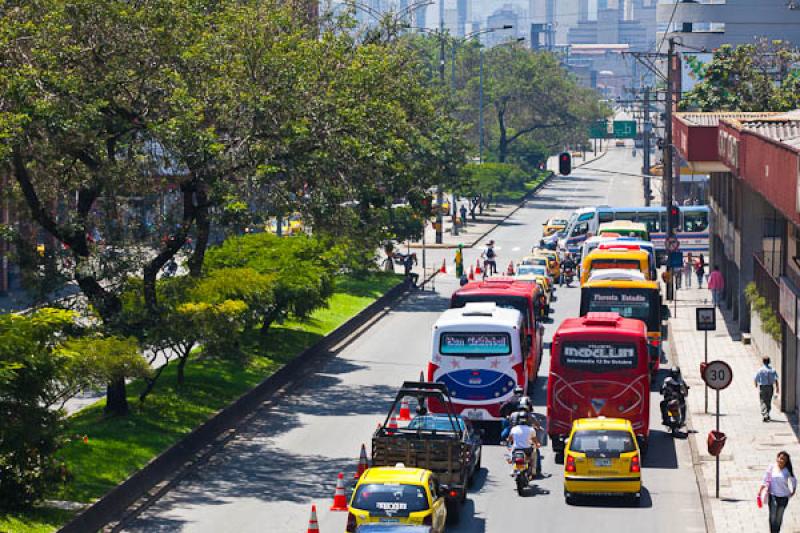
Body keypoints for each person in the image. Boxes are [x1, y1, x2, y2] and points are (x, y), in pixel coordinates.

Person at [758, 451, 797, 532]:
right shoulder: (772, 467)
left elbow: (794, 480)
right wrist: (760, 490)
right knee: (772, 516)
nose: (781, 460)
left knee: (779, 517)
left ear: (786, 462)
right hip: (773, 496)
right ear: (777, 458)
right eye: (780, 458)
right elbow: (765, 479)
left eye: (784, 460)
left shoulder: (787, 470)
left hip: (784, 497)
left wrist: (793, 490)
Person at [507, 410, 542, 477]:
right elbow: (535, 440)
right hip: (527, 450)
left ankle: (512, 467)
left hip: (516, 449)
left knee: (511, 450)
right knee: (534, 454)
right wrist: (538, 444)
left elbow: (509, 439)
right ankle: (533, 471)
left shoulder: (514, 429)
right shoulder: (531, 429)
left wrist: (509, 440)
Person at [755, 356, 780, 422]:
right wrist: (777, 387)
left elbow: (756, 378)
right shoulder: (772, 370)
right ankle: (767, 414)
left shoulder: (760, 370)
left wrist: (756, 385)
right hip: (770, 387)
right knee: (768, 401)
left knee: (763, 401)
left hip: (763, 387)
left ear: (763, 362)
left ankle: (765, 415)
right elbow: (776, 379)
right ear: (769, 362)